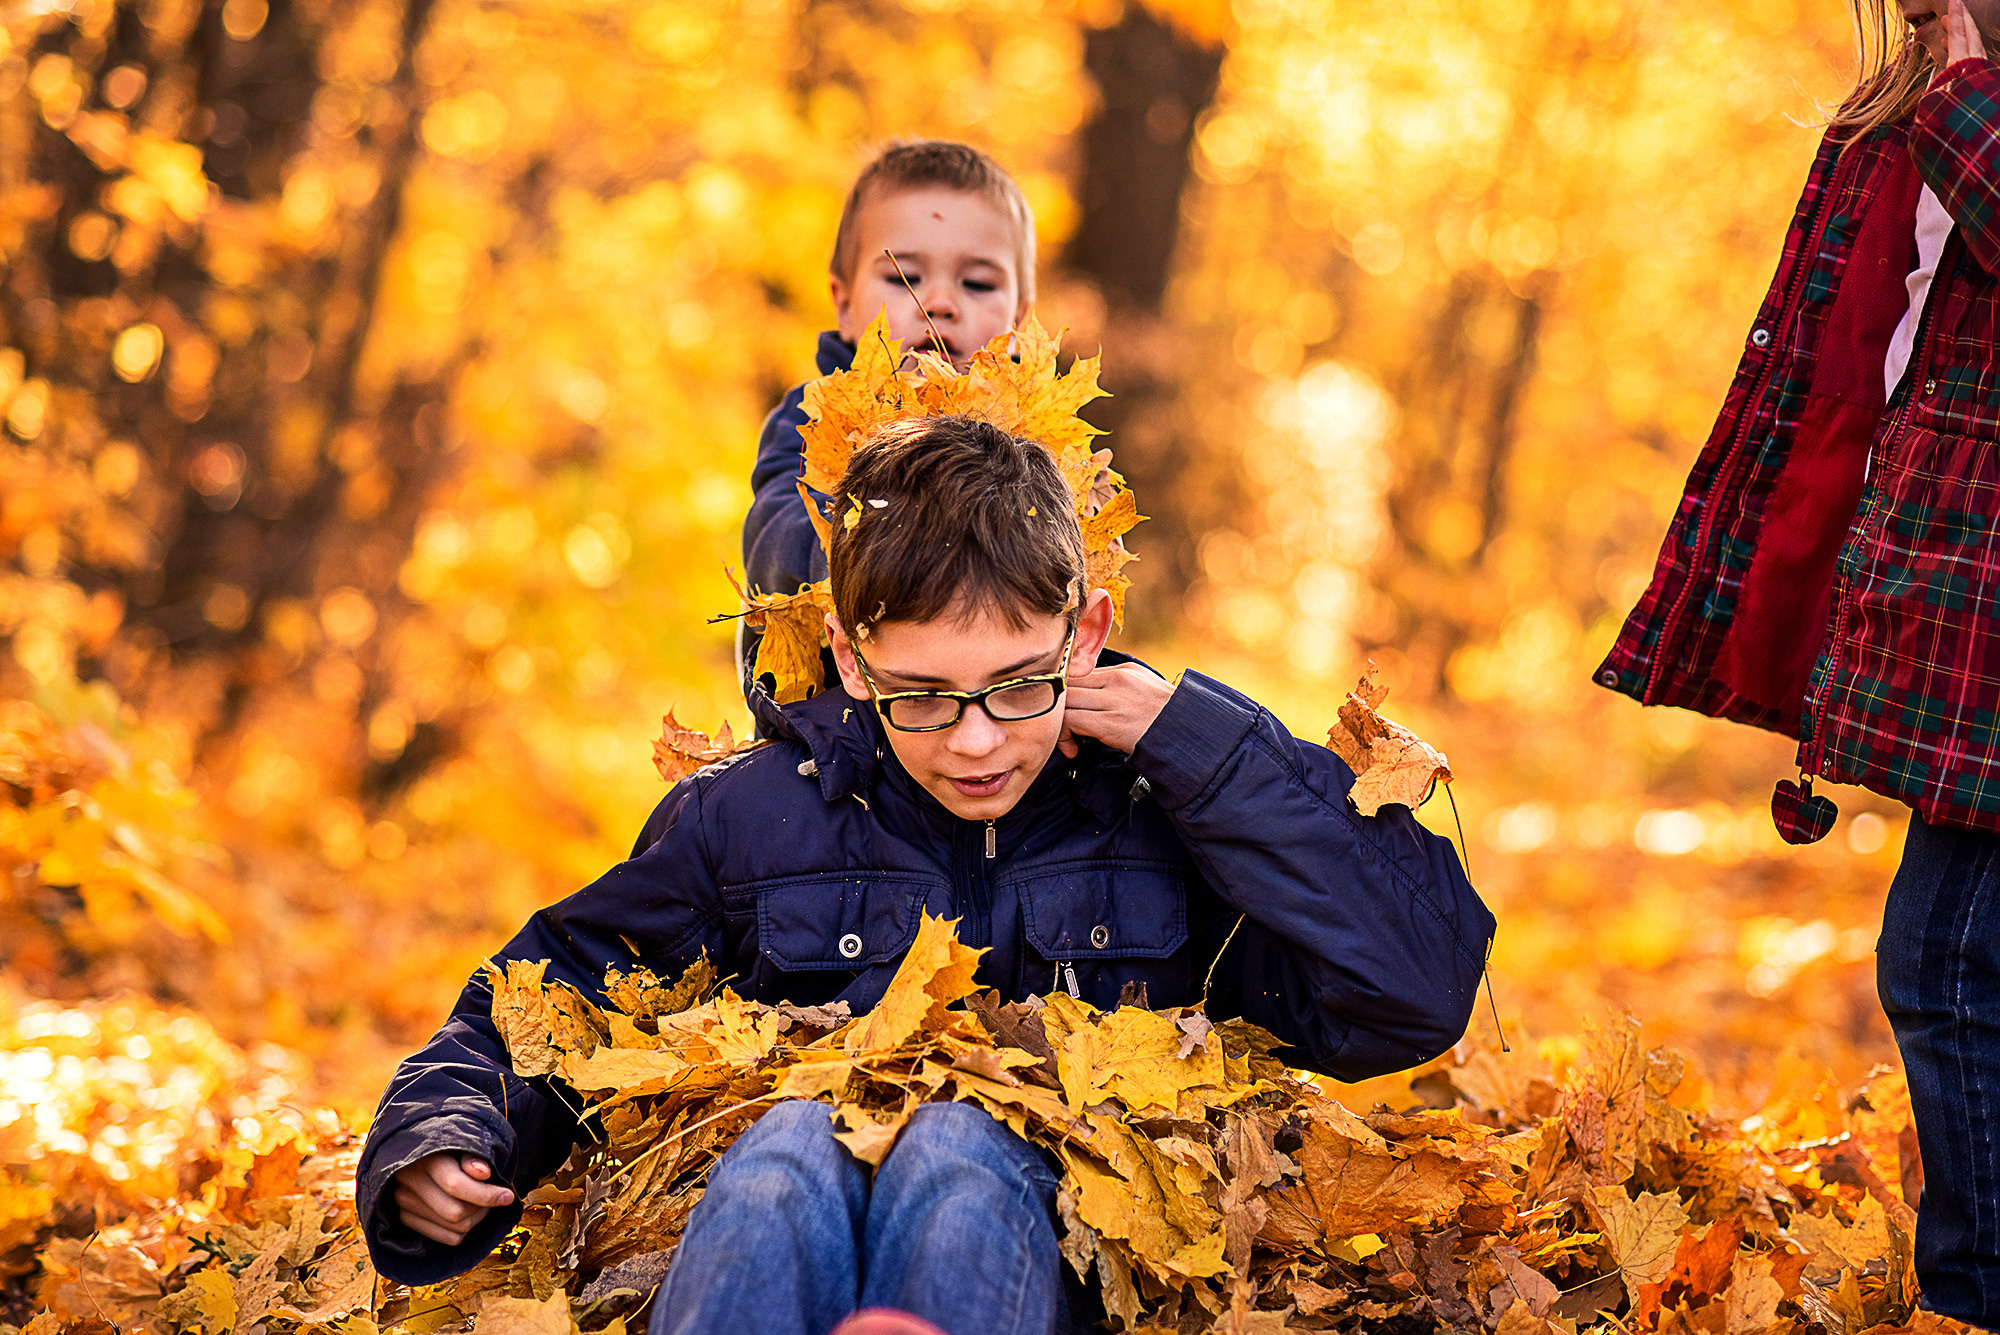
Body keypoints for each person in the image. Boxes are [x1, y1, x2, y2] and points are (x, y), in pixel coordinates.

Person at [357, 415, 1495, 1335]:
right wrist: (446, 1132)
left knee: (961, 1147)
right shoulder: (751, 820)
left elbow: (1411, 990)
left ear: (1084, 634)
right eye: (919, 697)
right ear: (851, 659)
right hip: (779, 1241)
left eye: (1017, 685)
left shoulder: (1167, 811)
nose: (975, 743)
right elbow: (553, 989)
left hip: (1057, 1264)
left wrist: (1210, 748)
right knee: (782, 1152)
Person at [1597, 0, 2000, 1324]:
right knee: (1948, 959)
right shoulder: (1922, 111)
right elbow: (1843, 368)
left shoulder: (1962, 110)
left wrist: (1954, 101)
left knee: (1950, 962)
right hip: (1964, 628)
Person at [741, 140, 1036, 732]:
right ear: (845, 305)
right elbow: (777, 551)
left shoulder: (1036, 445)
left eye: (977, 284)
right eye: (905, 277)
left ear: (1020, 319)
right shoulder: (811, 419)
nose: (940, 303)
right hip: (828, 751)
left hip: (990, 746)